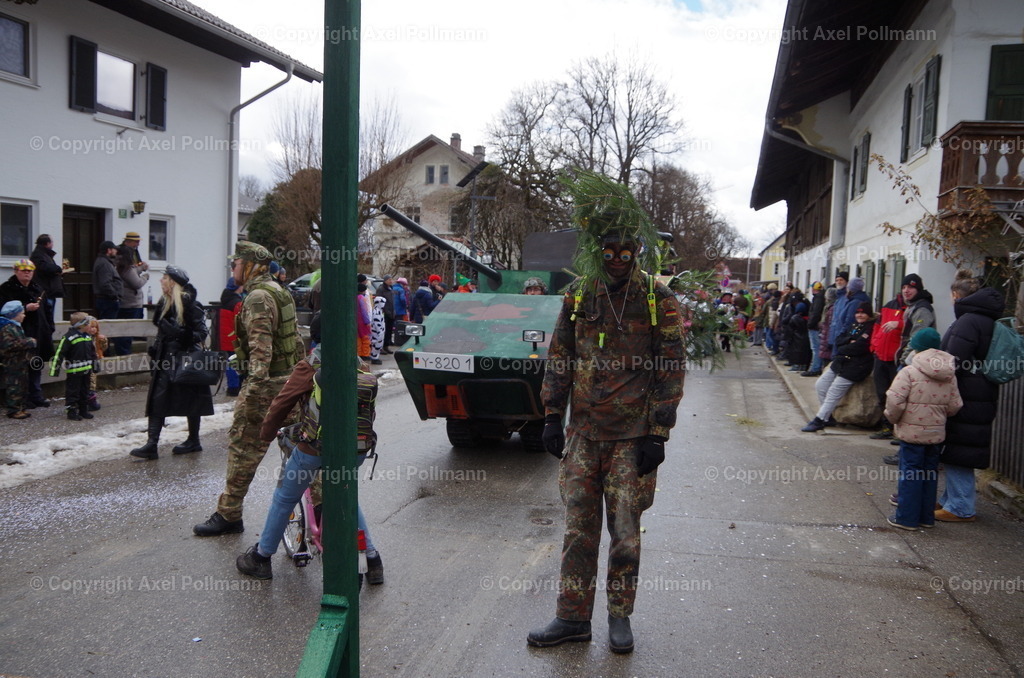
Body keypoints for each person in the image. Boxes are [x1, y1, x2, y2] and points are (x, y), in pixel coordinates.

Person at [528, 172, 685, 655]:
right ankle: (572, 617)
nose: (618, 259)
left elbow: (671, 367)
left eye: (626, 252)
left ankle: (619, 616)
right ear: (599, 251)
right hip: (582, 436)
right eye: (610, 251)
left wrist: (658, 432)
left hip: (631, 439)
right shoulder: (580, 295)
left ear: (637, 251)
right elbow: (560, 356)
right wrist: (551, 416)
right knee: (578, 531)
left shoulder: (657, 300)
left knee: (625, 534)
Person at [235, 349, 385, 584]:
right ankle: (373, 561)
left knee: (285, 498)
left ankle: (260, 557)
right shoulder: (359, 364)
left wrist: (266, 433)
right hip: (355, 449)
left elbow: (283, 402)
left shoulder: (310, 365)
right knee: (346, 498)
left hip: (315, 450)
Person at [193, 242, 303, 536]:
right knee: (302, 450)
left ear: (251, 266)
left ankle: (229, 514)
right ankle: (322, 512)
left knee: (244, 448)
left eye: (237, 264)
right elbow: (295, 340)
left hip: (267, 387)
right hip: (289, 383)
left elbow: (260, 350)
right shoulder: (279, 290)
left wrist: (253, 393)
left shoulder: (257, 297)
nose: (233, 269)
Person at [936, 270, 1004, 522]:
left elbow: (953, 361)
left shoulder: (968, 321)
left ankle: (961, 507)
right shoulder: (988, 319)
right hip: (982, 392)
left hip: (967, 393)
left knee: (959, 448)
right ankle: (950, 499)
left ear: (956, 295)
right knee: (961, 446)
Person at [129, 266, 213, 460]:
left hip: (185, 361)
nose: (161, 281)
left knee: (192, 400)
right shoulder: (164, 303)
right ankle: (152, 444)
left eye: (165, 278)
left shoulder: (191, 305)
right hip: (164, 360)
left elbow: (201, 333)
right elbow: (162, 333)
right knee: (157, 401)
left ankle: (194, 440)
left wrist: (179, 333)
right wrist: (156, 349)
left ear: (173, 282)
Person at [884, 327, 962, 530]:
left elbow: (894, 400)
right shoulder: (949, 374)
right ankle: (926, 517)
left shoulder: (909, 372)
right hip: (935, 434)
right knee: (930, 474)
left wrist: (893, 419)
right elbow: (955, 405)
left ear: (917, 348)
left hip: (912, 434)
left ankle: (906, 518)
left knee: (910, 475)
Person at [801, 300, 875, 432]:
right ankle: (828, 416)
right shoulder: (853, 325)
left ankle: (819, 420)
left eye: (863, 313)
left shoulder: (870, 328)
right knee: (820, 385)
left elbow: (859, 347)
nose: (860, 315)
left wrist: (845, 346)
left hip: (857, 366)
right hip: (841, 362)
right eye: (858, 313)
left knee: (833, 391)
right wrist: (849, 341)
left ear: (869, 315)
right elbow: (838, 340)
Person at [0, 258, 54, 408]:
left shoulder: (38, 288)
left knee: (37, 364)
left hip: (39, 332)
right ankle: (24, 398)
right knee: (22, 367)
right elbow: (3, 310)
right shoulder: (6, 289)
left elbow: (48, 310)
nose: (27, 273)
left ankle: (36, 395)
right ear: (16, 271)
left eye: (30, 271)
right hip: (19, 335)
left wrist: (50, 328)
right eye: (24, 270)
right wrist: (25, 307)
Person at [49, 311, 97, 421]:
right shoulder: (69, 337)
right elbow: (59, 353)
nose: (90, 325)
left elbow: (92, 353)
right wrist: (54, 370)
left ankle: (83, 410)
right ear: (81, 325)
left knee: (85, 391)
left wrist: (95, 365)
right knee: (73, 392)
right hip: (74, 372)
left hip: (86, 370)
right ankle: (71, 411)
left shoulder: (87, 337)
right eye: (88, 323)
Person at [0, 300, 37, 419]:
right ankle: (13, 409)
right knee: (14, 386)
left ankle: (21, 407)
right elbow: (8, 345)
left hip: (20, 362)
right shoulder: (7, 328)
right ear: (14, 314)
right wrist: (28, 342)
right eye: (21, 313)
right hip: (12, 362)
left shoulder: (16, 326)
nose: (24, 315)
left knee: (22, 385)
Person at [114, 245, 149, 355]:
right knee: (127, 332)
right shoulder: (127, 270)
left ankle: (123, 352)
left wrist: (141, 268)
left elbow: (133, 272)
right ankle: (125, 354)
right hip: (131, 305)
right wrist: (145, 277)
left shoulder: (120, 267)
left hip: (124, 304)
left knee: (123, 331)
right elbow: (137, 283)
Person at [30, 234, 64, 330]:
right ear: (47, 243)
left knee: (49, 317)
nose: (53, 244)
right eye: (51, 242)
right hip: (46, 291)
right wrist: (57, 269)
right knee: (47, 317)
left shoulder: (44, 254)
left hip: (49, 291)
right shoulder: (38, 255)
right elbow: (44, 267)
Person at [219, 276, 244, 397]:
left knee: (230, 361)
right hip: (235, 338)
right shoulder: (237, 303)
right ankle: (235, 387)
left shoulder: (225, 299)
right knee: (235, 363)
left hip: (226, 337)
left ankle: (232, 386)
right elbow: (241, 322)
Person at [92, 241, 122, 321]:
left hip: (106, 300)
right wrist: (114, 296)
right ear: (109, 250)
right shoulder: (104, 264)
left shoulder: (104, 262)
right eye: (114, 249)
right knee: (109, 325)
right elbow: (105, 283)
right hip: (107, 301)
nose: (116, 251)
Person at [802, 282, 825, 376]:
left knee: (815, 348)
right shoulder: (821, 297)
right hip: (816, 326)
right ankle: (816, 367)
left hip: (814, 327)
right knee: (816, 348)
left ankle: (815, 368)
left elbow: (815, 313)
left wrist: (810, 324)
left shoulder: (818, 298)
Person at [377, 275, 396, 354]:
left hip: (391, 313)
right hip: (385, 313)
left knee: (389, 331)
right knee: (383, 331)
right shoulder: (381, 289)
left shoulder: (391, 288)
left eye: (391, 279)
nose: (391, 281)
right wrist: (386, 311)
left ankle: (386, 346)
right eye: (389, 280)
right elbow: (379, 301)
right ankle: (380, 347)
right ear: (385, 280)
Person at [356, 280, 372, 360]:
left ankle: (359, 353)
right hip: (362, 321)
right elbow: (364, 311)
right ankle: (365, 354)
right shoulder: (362, 298)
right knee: (365, 338)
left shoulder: (355, 298)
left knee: (358, 338)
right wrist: (367, 321)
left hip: (356, 321)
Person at [369, 293, 386, 365]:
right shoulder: (376, 312)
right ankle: (374, 357)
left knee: (378, 344)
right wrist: (380, 331)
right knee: (376, 345)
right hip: (377, 332)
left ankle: (375, 357)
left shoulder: (379, 311)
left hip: (379, 331)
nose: (383, 304)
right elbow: (377, 323)